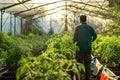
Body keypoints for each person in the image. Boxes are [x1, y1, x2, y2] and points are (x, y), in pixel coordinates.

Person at [73, 15, 97, 80]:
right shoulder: (90, 27)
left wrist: (73, 46)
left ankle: (80, 76)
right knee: (87, 64)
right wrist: (91, 40)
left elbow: (74, 39)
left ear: (80, 20)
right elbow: (95, 35)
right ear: (86, 20)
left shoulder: (77, 28)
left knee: (79, 64)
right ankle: (87, 77)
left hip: (79, 49)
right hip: (88, 49)